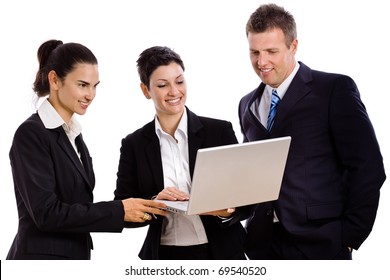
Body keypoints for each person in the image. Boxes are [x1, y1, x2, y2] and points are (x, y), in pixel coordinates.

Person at [238, 4, 386, 260]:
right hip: (263, 246)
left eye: (271, 51)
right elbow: (251, 176)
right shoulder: (247, 104)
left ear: (293, 46)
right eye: (254, 52)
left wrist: (349, 237)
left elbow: (367, 166)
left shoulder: (333, 89)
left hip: (320, 244)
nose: (261, 62)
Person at [6, 39, 167, 260]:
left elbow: (79, 207)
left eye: (95, 86)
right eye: (82, 85)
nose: (91, 95)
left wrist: (154, 203)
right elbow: (46, 213)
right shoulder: (31, 134)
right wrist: (119, 210)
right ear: (54, 80)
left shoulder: (73, 134)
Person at [114, 46, 250, 260]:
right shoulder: (134, 144)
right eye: (162, 85)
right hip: (165, 256)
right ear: (145, 90)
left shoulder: (219, 131)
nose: (174, 92)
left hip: (222, 252)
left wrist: (226, 210)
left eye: (179, 81)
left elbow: (246, 197)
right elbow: (121, 210)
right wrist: (155, 202)